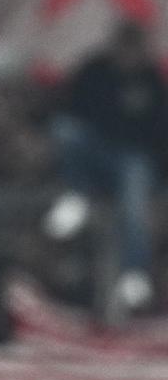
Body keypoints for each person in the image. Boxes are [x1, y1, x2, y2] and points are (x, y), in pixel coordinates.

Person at [43, 19, 167, 317]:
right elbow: (71, 112)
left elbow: (160, 135)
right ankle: (78, 196)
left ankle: (134, 274)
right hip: (95, 156)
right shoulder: (93, 73)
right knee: (64, 131)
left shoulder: (152, 83)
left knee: (134, 188)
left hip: (132, 164)